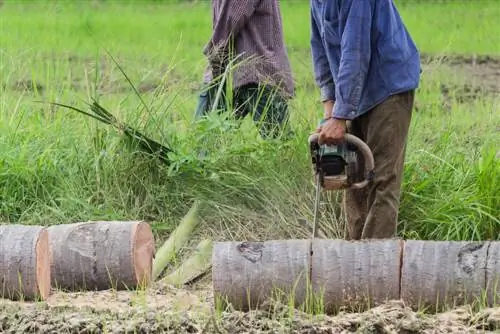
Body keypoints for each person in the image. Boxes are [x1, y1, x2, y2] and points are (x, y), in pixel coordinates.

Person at [310, 0, 421, 240]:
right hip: (355, 90)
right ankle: (354, 260)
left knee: (381, 179)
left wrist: (341, 117)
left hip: (387, 84)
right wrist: (330, 108)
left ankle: (376, 266)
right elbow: (320, 48)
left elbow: (355, 51)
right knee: (354, 180)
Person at [194, 0, 295, 139]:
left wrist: (214, 60)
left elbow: (229, 21)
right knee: (209, 140)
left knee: (280, 142)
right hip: (240, 70)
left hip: (255, 72)